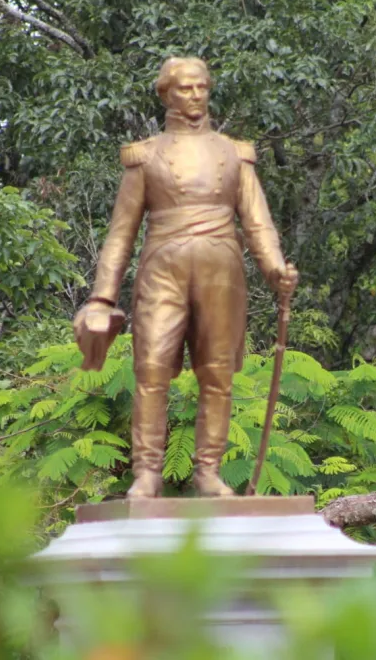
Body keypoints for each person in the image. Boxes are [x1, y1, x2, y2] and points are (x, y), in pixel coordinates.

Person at [72, 57, 298, 498]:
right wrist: (102, 297)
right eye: (185, 88)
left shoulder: (235, 154)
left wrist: (274, 268)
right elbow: (121, 233)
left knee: (216, 373)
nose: (195, 96)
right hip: (163, 266)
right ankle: (147, 473)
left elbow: (257, 222)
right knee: (151, 366)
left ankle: (208, 471)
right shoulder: (146, 156)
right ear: (165, 94)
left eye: (201, 87)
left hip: (221, 267)